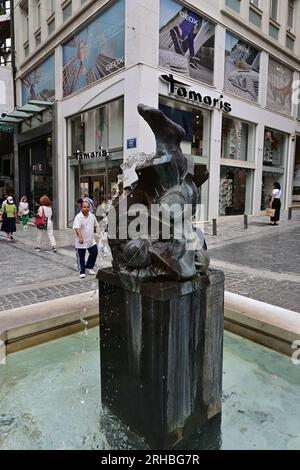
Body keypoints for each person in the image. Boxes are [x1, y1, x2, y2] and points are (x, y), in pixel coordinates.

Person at [73, 200, 99, 278]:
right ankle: (82, 271)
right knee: (81, 257)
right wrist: (80, 237)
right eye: (84, 207)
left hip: (90, 240)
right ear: (81, 208)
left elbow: (96, 225)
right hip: (81, 241)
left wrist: (98, 233)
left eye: (88, 207)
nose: (86, 209)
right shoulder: (78, 217)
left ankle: (89, 267)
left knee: (94, 252)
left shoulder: (92, 216)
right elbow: (77, 228)